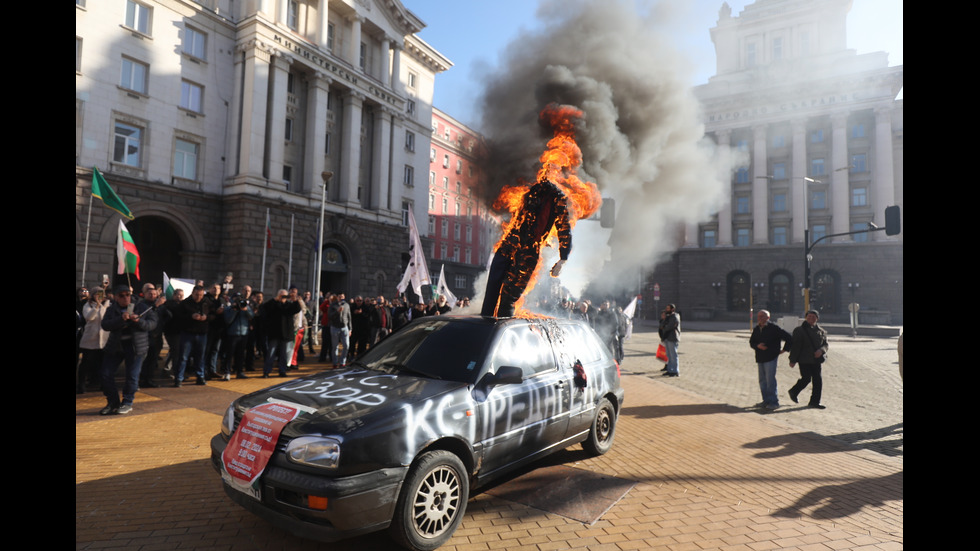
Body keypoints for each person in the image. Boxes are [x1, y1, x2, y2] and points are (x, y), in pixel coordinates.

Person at [482, 179, 571, 318]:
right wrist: (563, 259)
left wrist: (563, 258)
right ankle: (492, 329)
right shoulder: (536, 193)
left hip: (512, 245)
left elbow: (563, 228)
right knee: (505, 297)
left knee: (499, 295)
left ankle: (490, 327)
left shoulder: (540, 194)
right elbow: (564, 228)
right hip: (521, 249)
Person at [100, 284, 158, 415]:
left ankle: (127, 402)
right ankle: (112, 402)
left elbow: (152, 324)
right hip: (116, 346)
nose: (126, 298)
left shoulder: (141, 306)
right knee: (105, 373)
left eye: (128, 295)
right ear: (116, 297)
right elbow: (105, 325)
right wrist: (120, 319)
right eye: (122, 296)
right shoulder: (112, 309)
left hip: (136, 347)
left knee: (132, 375)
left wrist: (139, 321)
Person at [749, 310, 793, 410]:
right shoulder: (757, 328)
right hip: (760, 357)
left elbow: (789, 338)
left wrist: (785, 349)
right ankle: (766, 400)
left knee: (770, 380)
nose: (760, 318)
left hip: (771, 357)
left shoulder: (774, 328)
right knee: (762, 380)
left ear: (768, 318)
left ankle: (774, 402)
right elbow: (752, 342)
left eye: (763, 316)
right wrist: (757, 346)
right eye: (759, 316)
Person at [788, 309, 829, 409]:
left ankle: (814, 402)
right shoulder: (799, 330)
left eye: (813, 317)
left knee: (818, 381)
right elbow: (795, 346)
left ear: (817, 319)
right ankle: (794, 391)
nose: (811, 319)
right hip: (804, 359)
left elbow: (825, 344)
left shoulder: (821, 331)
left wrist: (821, 351)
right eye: (809, 317)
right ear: (806, 318)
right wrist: (792, 360)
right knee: (806, 379)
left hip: (816, 360)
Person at [659, 303, 680, 377]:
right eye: (666, 308)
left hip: (672, 337)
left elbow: (670, 326)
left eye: (668, 308)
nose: (666, 310)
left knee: (673, 355)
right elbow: (662, 325)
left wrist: (664, 327)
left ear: (672, 309)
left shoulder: (675, 316)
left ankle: (675, 371)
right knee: (668, 355)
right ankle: (669, 369)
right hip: (667, 337)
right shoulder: (668, 316)